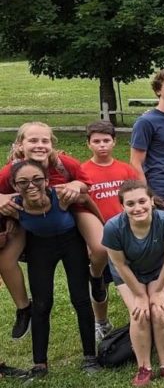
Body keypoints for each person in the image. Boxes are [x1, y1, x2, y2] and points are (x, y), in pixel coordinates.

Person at [0, 122, 97, 341]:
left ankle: (98, 277)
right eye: (33, 140)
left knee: (100, 247)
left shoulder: (63, 163)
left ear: (52, 144)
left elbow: (86, 185)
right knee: (5, 261)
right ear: (20, 144)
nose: (39, 145)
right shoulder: (10, 171)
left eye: (45, 141)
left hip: (66, 213)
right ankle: (24, 308)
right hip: (25, 218)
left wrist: (76, 185)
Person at [11, 161, 100, 377]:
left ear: (47, 181)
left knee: (80, 299)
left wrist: (99, 228)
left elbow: (87, 200)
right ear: (15, 186)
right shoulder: (14, 206)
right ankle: (40, 364)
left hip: (71, 244)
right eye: (23, 182)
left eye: (37, 180)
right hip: (39, 248)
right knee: (42, 304)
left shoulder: (60, 195)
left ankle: (90, 357)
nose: (31, 185)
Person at [104, 180, 164, 387]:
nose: (137, 208)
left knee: (159, 310)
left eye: (142, 201)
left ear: (151, 201)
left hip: (160, 270)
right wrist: (140, 296)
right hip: (128, 273)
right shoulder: (113, 228)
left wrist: (157, 291)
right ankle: (144, 367)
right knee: (140, 314)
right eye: (130, 204)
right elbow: (120, 265)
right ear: (122, 206)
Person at [80, 120, 142, 340]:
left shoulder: (126, 170)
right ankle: (102, 322)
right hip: (100, 239)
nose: (102, 145)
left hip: (127, 236)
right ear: (89, 144)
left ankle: (139, 318)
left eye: (106, 140)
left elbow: (138, 200)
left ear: (114, 142)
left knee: (132, 278)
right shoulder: (82, 172)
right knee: (100, 282)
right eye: (96, 141)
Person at [130, 68, 164, 202]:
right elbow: (135, 162)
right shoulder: (146, 122)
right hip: (158, 192)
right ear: (158, 90)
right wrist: (147, 196)